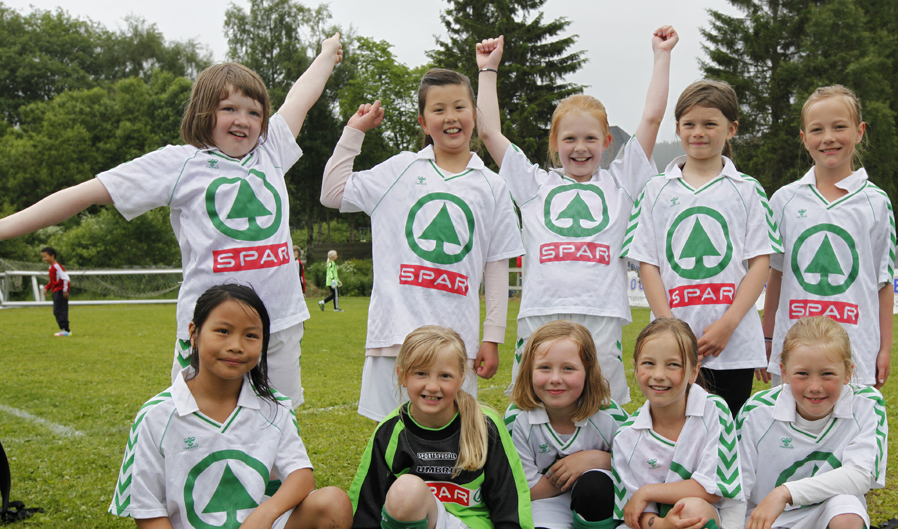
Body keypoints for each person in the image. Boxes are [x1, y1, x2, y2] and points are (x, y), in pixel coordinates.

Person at [0, 34, 346, 409]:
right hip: (212, 329)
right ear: (203, 112)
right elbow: (83, 193)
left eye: (254, 112)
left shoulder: (271, 150)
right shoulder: (178, 163)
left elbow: (302, 96)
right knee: (194, 423)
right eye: (229, 108)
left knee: (278, 422)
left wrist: (327, 53)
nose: (243, 121)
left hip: (277, 323)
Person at [108, 284, 353, 529]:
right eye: (222, 331)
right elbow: (146, 510)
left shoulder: (272, 408)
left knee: (333, 504)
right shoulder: (157, 416)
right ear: (193, 332)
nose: (236, 345)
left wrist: (264, 514)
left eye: (250, 336)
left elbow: (302, 476)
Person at [475, 28, 677, 405]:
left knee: (602, 408)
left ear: (606, 142)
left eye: (590, 139)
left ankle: (600, 465)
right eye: (569, 139)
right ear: (555, 143)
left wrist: (661, 56)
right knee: (532, 406)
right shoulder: (534, 185)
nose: (580, 148)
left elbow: (651, 119)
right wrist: (488, 71)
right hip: (541, 314)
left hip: (601, 315)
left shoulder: (622, 183)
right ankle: (531, 466)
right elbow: (487, 132)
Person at [320, 69, 523, 422]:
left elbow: (496, 264)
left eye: (459, 107)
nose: (450, 118)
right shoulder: (400, 169)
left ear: (474, 115)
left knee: (450, 440)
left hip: (456, 344)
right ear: (423, 122)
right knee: (391, 440)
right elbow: (332, 192)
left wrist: (491, 337)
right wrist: (354, 133)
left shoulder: (493, 187)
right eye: (438, 109)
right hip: (395, 336)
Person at [346, 325, 539, 529]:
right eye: (421, 373)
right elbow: (367, 505)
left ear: (461, 377)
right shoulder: (392, 430)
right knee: (405, 490)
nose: (432, 386)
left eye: (445, 376)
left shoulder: (484, 424)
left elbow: (511, 499)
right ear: (402, 375)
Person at [717, 316, 887, 529]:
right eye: (801, 374)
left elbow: (860, 476)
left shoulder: (867, 402)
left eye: (827, 374)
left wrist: (784, 493)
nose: (814, 387)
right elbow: (736, 489)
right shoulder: (757, 412)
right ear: (781, 370)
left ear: (848, 370)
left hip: (825, 521)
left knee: (847, 515)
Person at [626, 80, 780, 417]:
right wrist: (670, 328)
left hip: (732, 344)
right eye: (689, 124)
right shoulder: (655, 191)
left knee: (728, 430)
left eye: (710, 124)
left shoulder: (748, 190)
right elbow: (647, 263)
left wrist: (729, 323)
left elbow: (760, 263)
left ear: (732, 129)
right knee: (673, 430)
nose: (699, 132)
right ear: (677, 127)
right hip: (671, 347)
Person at [598, 318, 745, 529]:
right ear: (634, 367)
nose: (658, 375)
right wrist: (660, 526)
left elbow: (713, 490)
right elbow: (633, 514)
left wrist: (649, 492)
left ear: (694, 371)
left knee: (692, 508)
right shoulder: (626, 435)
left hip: (706, 526)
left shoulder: (714, 411)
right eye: (648, 363)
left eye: (673, 365)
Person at [761, 85, 895, 391]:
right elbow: (776, 273)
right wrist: (768, 337)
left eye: (839, 127)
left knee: (850, 434)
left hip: (856, 346)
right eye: (817, 129)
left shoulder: (876, 202)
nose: (828, 138)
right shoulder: (784, 200)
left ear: (859, 131)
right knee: (792, 432)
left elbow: (882, 282)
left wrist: (884, 347)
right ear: (804, 138)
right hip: (793, 348)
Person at [503, 320, 627, 529]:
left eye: (569, 369)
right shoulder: (517, 419)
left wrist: (594, 458)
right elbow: (524, 489)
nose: (555, 379)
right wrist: (567, 473)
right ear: (528, 371)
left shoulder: (610, 416)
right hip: (547, 501)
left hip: (600, 504)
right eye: (544, 368)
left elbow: (636, 467)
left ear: (589, 371)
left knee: (594, 484)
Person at [40, 246, 71, 337]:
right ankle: (63, 329)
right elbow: (53, 280)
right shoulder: (51, 267)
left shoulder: (57, 266)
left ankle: (66, 330)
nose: (44, 259)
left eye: (45, 256)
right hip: (56, 291)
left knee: (60, 310)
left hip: (60, 291)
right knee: (57, 311)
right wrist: (47, 288)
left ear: (52, 256)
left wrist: (65, 291)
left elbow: (66, 278)